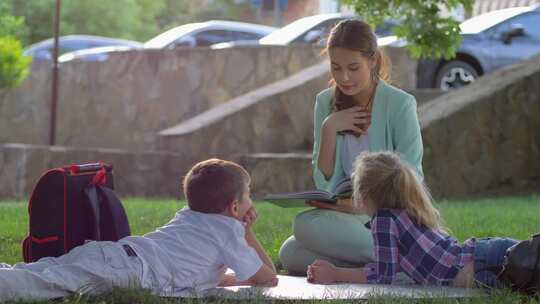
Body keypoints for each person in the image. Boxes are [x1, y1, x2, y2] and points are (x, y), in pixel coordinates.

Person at [0, 159, 277, 301]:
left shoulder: (191, 217)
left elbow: (209, 272)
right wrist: (247, 233)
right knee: (47, 284)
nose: (251, 200)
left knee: (44, 271)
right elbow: (268, 278)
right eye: (249, 194)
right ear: (234, 207)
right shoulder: (229, 232)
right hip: (129, 270)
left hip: (117, 254)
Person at [279, 19, 424, 274]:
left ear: (373, 60)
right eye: (336, 68)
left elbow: (412, 179)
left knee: (304, 226)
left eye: (353, 67)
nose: (344, 78)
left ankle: (401, 257)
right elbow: (324, 184)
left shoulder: (400, 104)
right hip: (346, 216)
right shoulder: (325, 102)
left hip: (387, 217)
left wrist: (362, 205)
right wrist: (329, 127)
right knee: (290, 253)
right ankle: (387, 264)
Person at [307, 151, 518, 288]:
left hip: (484, 266)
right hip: (486, 257)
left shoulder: (384, 219)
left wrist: (336, 273)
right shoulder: (403, 210)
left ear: (365, 194)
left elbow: (383, 276)